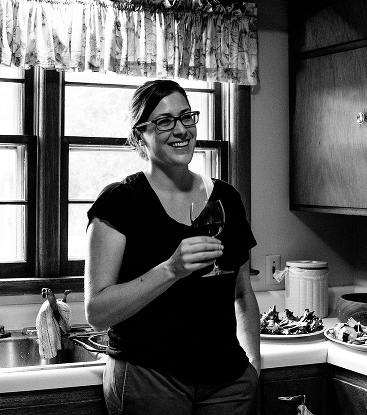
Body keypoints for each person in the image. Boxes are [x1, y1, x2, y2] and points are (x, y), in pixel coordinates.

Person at [84, 79, 260, 415]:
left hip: (229, 383)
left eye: (186, 117)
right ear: (140, 136)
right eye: (164, 122)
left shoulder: (227, 199)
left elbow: (242, 293)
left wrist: (254, 366)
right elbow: (98, 313)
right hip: (150, 379)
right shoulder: (120, 202)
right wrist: (171, 269)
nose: (180, 130)